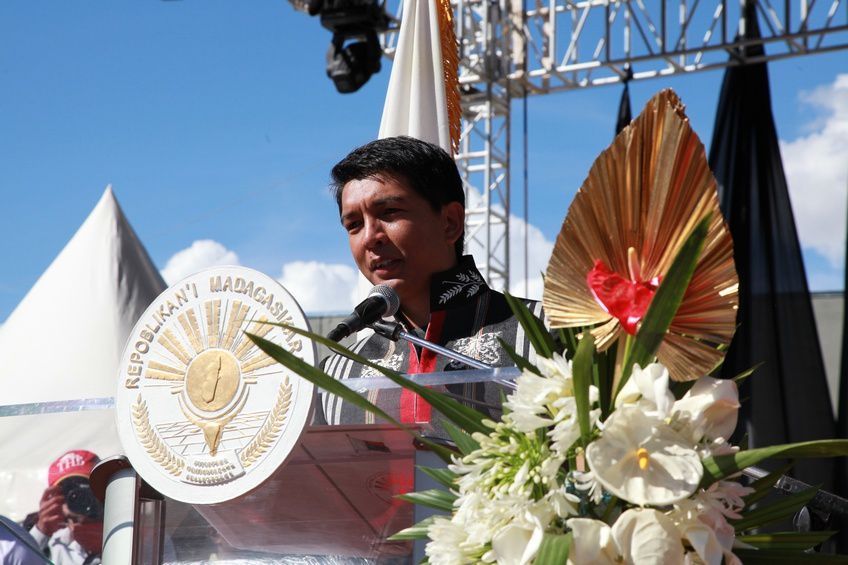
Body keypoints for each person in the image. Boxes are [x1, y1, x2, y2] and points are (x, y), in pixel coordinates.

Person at [320, 136, 544, 432]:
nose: (370, 237)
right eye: (354, 225)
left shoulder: (545, 334)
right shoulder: (335, 374)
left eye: (389, 213)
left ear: (450, 222)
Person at [28, 451, 102, 565]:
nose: (77, 496)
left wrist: (108, 546)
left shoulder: (130, 530)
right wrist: (40, 532)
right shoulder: (50, 545)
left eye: (85, 485)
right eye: (68, 489)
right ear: (52, 497)